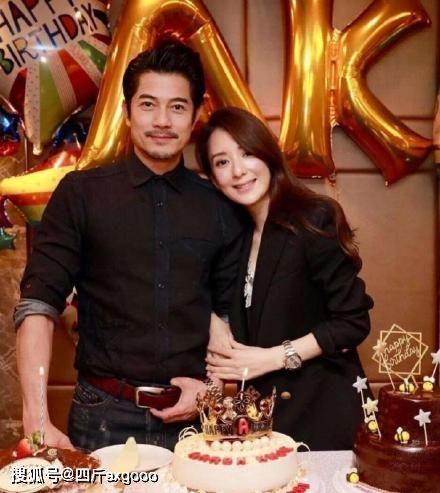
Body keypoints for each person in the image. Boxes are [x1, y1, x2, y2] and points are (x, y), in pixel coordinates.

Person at [14, 42, 243, 451]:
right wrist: (36, 418)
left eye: (177, 107)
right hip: (102, 413)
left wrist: (211, 389)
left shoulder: (219, 205)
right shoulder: (81, 194)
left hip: (196, 418)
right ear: (127, 112)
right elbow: (38, 304)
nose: (162, 121)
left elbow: (229, 320)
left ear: (195, 116)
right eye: (148, 104)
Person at [196, 107, 374, 451]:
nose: (238, 170)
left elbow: (352, 322)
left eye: (247, 153)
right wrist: (215, 321)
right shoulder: (237, 236)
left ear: (268, 155)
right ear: (213, 178)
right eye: (222, 162)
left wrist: (274, 357)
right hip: (267, 422)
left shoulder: (313, 218)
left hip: (326, 416)